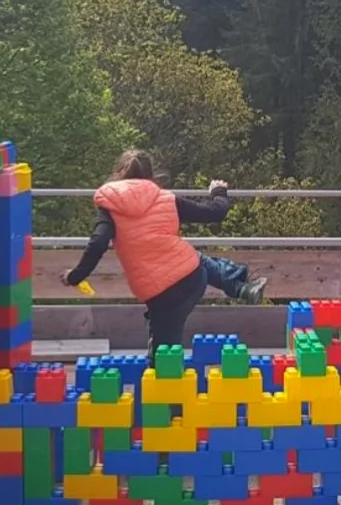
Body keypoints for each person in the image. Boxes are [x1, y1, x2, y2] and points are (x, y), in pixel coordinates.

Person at [61, 149, 267, 354]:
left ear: (118, 173)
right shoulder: (166, 199)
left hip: (163, 295)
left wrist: (75, 276)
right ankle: (239, 287)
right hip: (193, 277)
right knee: (191, 259)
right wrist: (219, 192)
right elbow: (214, 212)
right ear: (151, 176)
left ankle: (161, 360)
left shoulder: (110, 205)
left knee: (164, 359)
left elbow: (98, 242)